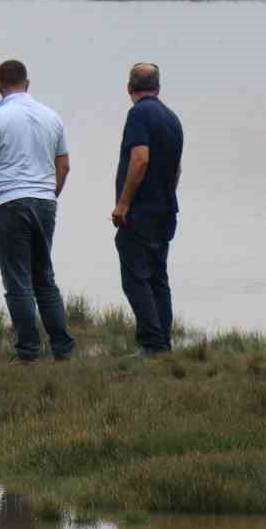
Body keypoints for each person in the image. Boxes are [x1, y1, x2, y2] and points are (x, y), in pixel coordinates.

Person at [0, 59, 75, 362]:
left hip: (9, 204)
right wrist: (48, 195)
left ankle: (28, 352)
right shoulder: (52, 117)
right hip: (45, 203)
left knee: (18, 279)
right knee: (45, 277)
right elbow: (64, 165)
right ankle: (63, 349)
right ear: (28, 83)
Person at [111, 62, 184, 354]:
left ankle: (152, 345)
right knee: (158, 277)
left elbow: (140, 159)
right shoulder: (172, 118)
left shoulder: (138, 113)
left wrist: (124, 203)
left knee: (135, 279)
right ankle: (163, 342)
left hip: (140, 211)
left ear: (130, 88)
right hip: (166, 210)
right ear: (159, 88)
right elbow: (176, 169)